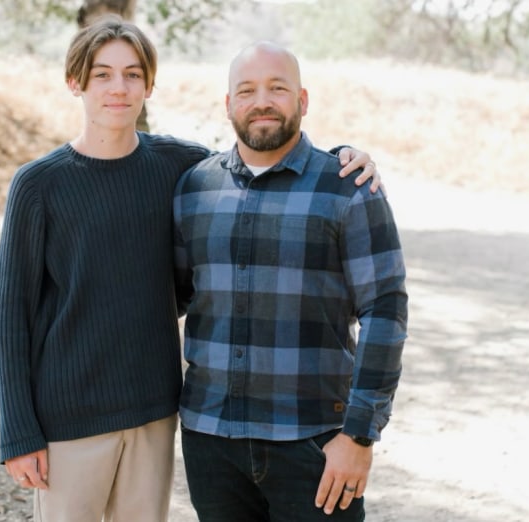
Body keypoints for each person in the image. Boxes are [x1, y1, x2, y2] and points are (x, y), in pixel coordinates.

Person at [0, 16, 381, 522]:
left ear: (149, 85)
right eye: (102, 74)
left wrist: (343, 157)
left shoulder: (181, 168)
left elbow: (260, 155)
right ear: (75, 83)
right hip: (69, 420)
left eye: (132, 74)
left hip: (154, 414)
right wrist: (18, 432)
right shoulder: (38, 185)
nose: (118, 88)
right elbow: (6, 319)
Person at [173, 41, 408, 522]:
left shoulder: (347, 186)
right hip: (211, 442)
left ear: (302, 100)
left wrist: (359, 436)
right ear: (228, 104)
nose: (262, 101)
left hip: (315, 444)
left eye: (277, 88)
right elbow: (172, 297)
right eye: (247, 90)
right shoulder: (195, 188)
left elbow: (385, 313)